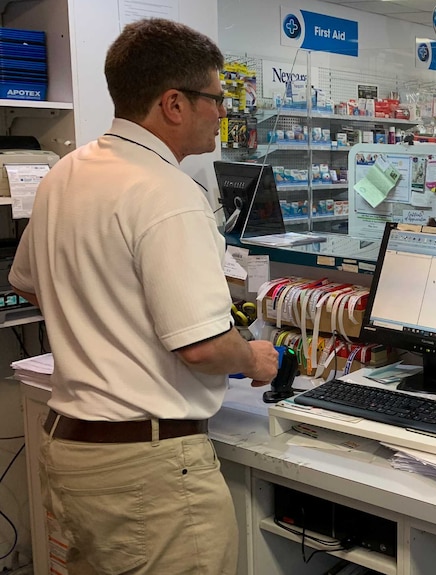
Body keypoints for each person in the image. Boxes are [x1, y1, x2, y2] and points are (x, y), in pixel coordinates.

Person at [10, 18, 279, 575]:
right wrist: (253, 357)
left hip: (73, 452)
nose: (223, 112)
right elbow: (203, 349)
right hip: (147, 473)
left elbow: (25, 280)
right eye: (216, 98)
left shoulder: (66, 172)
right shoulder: (166, 192)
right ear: (174, 104)